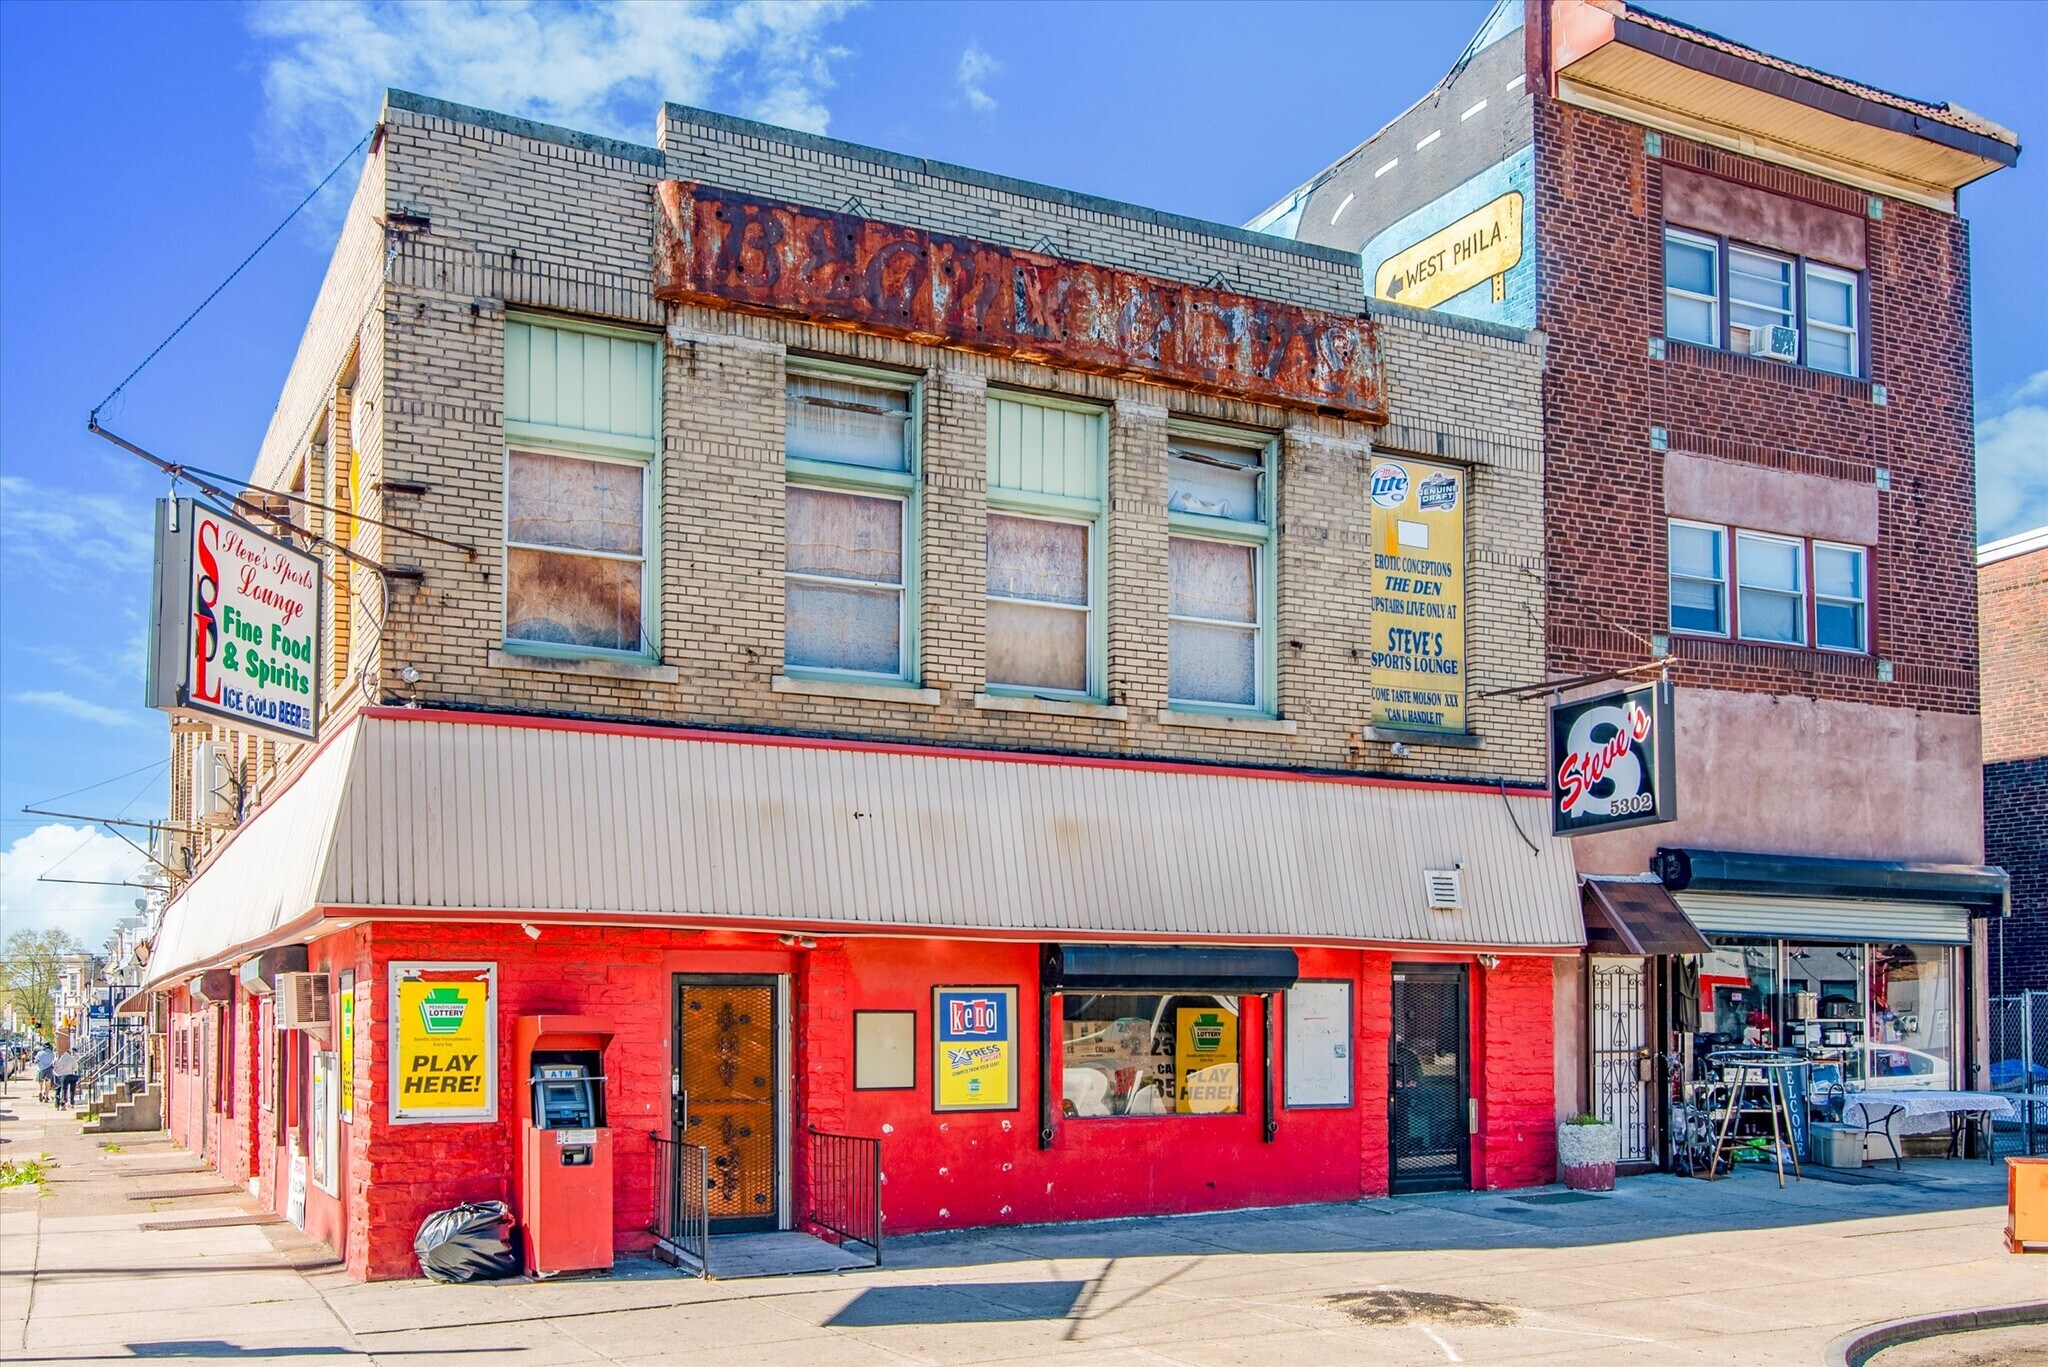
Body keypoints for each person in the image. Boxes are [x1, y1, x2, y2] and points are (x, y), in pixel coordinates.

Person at [52, 1045, 80, 1109]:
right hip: (70, 1075)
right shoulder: (72, 1059)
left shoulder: (58, 1059)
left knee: (61, 1090)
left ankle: (61, 1104)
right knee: (71, 1090)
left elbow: (55, 1068)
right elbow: (76, 1068)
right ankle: (72, 1103)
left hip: (60, 1076)